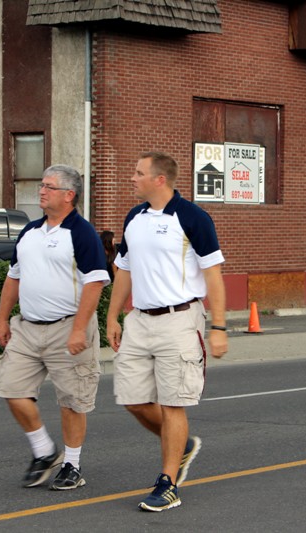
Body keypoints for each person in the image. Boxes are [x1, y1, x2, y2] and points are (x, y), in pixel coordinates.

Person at [107, 151, 227, 512]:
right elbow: (123, 270)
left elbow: (214, 277)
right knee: (131, 398)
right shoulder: (134, 217)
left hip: (180, 318)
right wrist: (112, 316)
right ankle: (183, 445)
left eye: (138, 172)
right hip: (140, 320)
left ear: (159, 179)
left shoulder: (193, 218)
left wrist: (219, 327)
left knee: (174, 402)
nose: (133, 177)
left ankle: (168, 482)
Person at [0, 164, 110, 491]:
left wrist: (79, 329)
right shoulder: (29, 231)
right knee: (11, 389)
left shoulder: (82, 233)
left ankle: (72, 464)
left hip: (68, 328)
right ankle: (44, 451)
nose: (41, 191)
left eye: (49, 187)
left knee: (72, 401)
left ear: (69, 195)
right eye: (42, 186)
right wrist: (2, 318)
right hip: (28, 329)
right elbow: (13, 276)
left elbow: (95, 283)